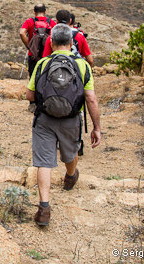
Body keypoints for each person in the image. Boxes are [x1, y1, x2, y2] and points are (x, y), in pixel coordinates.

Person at [26, 23, 101, 226]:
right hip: (71, 119)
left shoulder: (42, 64)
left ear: (51, 41)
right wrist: (96, 128)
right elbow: (91, 99)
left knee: (44, 162)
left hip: (44, 120)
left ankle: (44, 208)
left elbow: (29, 94)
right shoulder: (83, 65)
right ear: (71, 43)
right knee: (70, 153)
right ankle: (70, 175)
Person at [19, 4, 57, 78]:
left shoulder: (29, 21)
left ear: (34, 12)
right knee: (46, 77)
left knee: (33, 76)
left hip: (33, 54)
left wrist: (29, 46)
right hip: (47, 54)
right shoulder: (51, 22)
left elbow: (22, 33)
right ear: (45, 11)